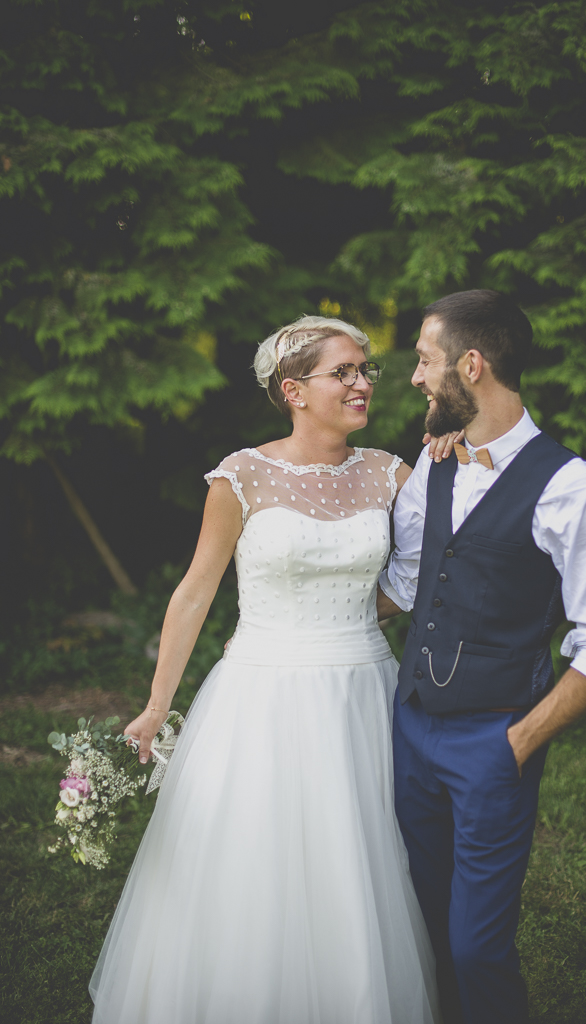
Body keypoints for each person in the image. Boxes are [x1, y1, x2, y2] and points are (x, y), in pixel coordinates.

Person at [90, 315, 444, 1024]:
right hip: (261, 694)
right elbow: (195, 591)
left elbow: (425, 568)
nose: (361, 383)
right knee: (255, 863)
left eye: (364, 370)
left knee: (362, 862)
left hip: (363, 690)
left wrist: (453, 462)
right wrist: (158, 704)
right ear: (294, 390)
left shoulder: (393, 472)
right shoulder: (242, 475)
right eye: (342, 372)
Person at [376, 289, 586, 1024]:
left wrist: (520, 742)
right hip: (411, 728)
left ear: (473, 364)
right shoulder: (430, 466)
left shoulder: (572, 487)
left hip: (494, 740)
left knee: (476, 948)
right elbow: (405, 584)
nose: (414, 378)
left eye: (425, 361)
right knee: (422, 925)